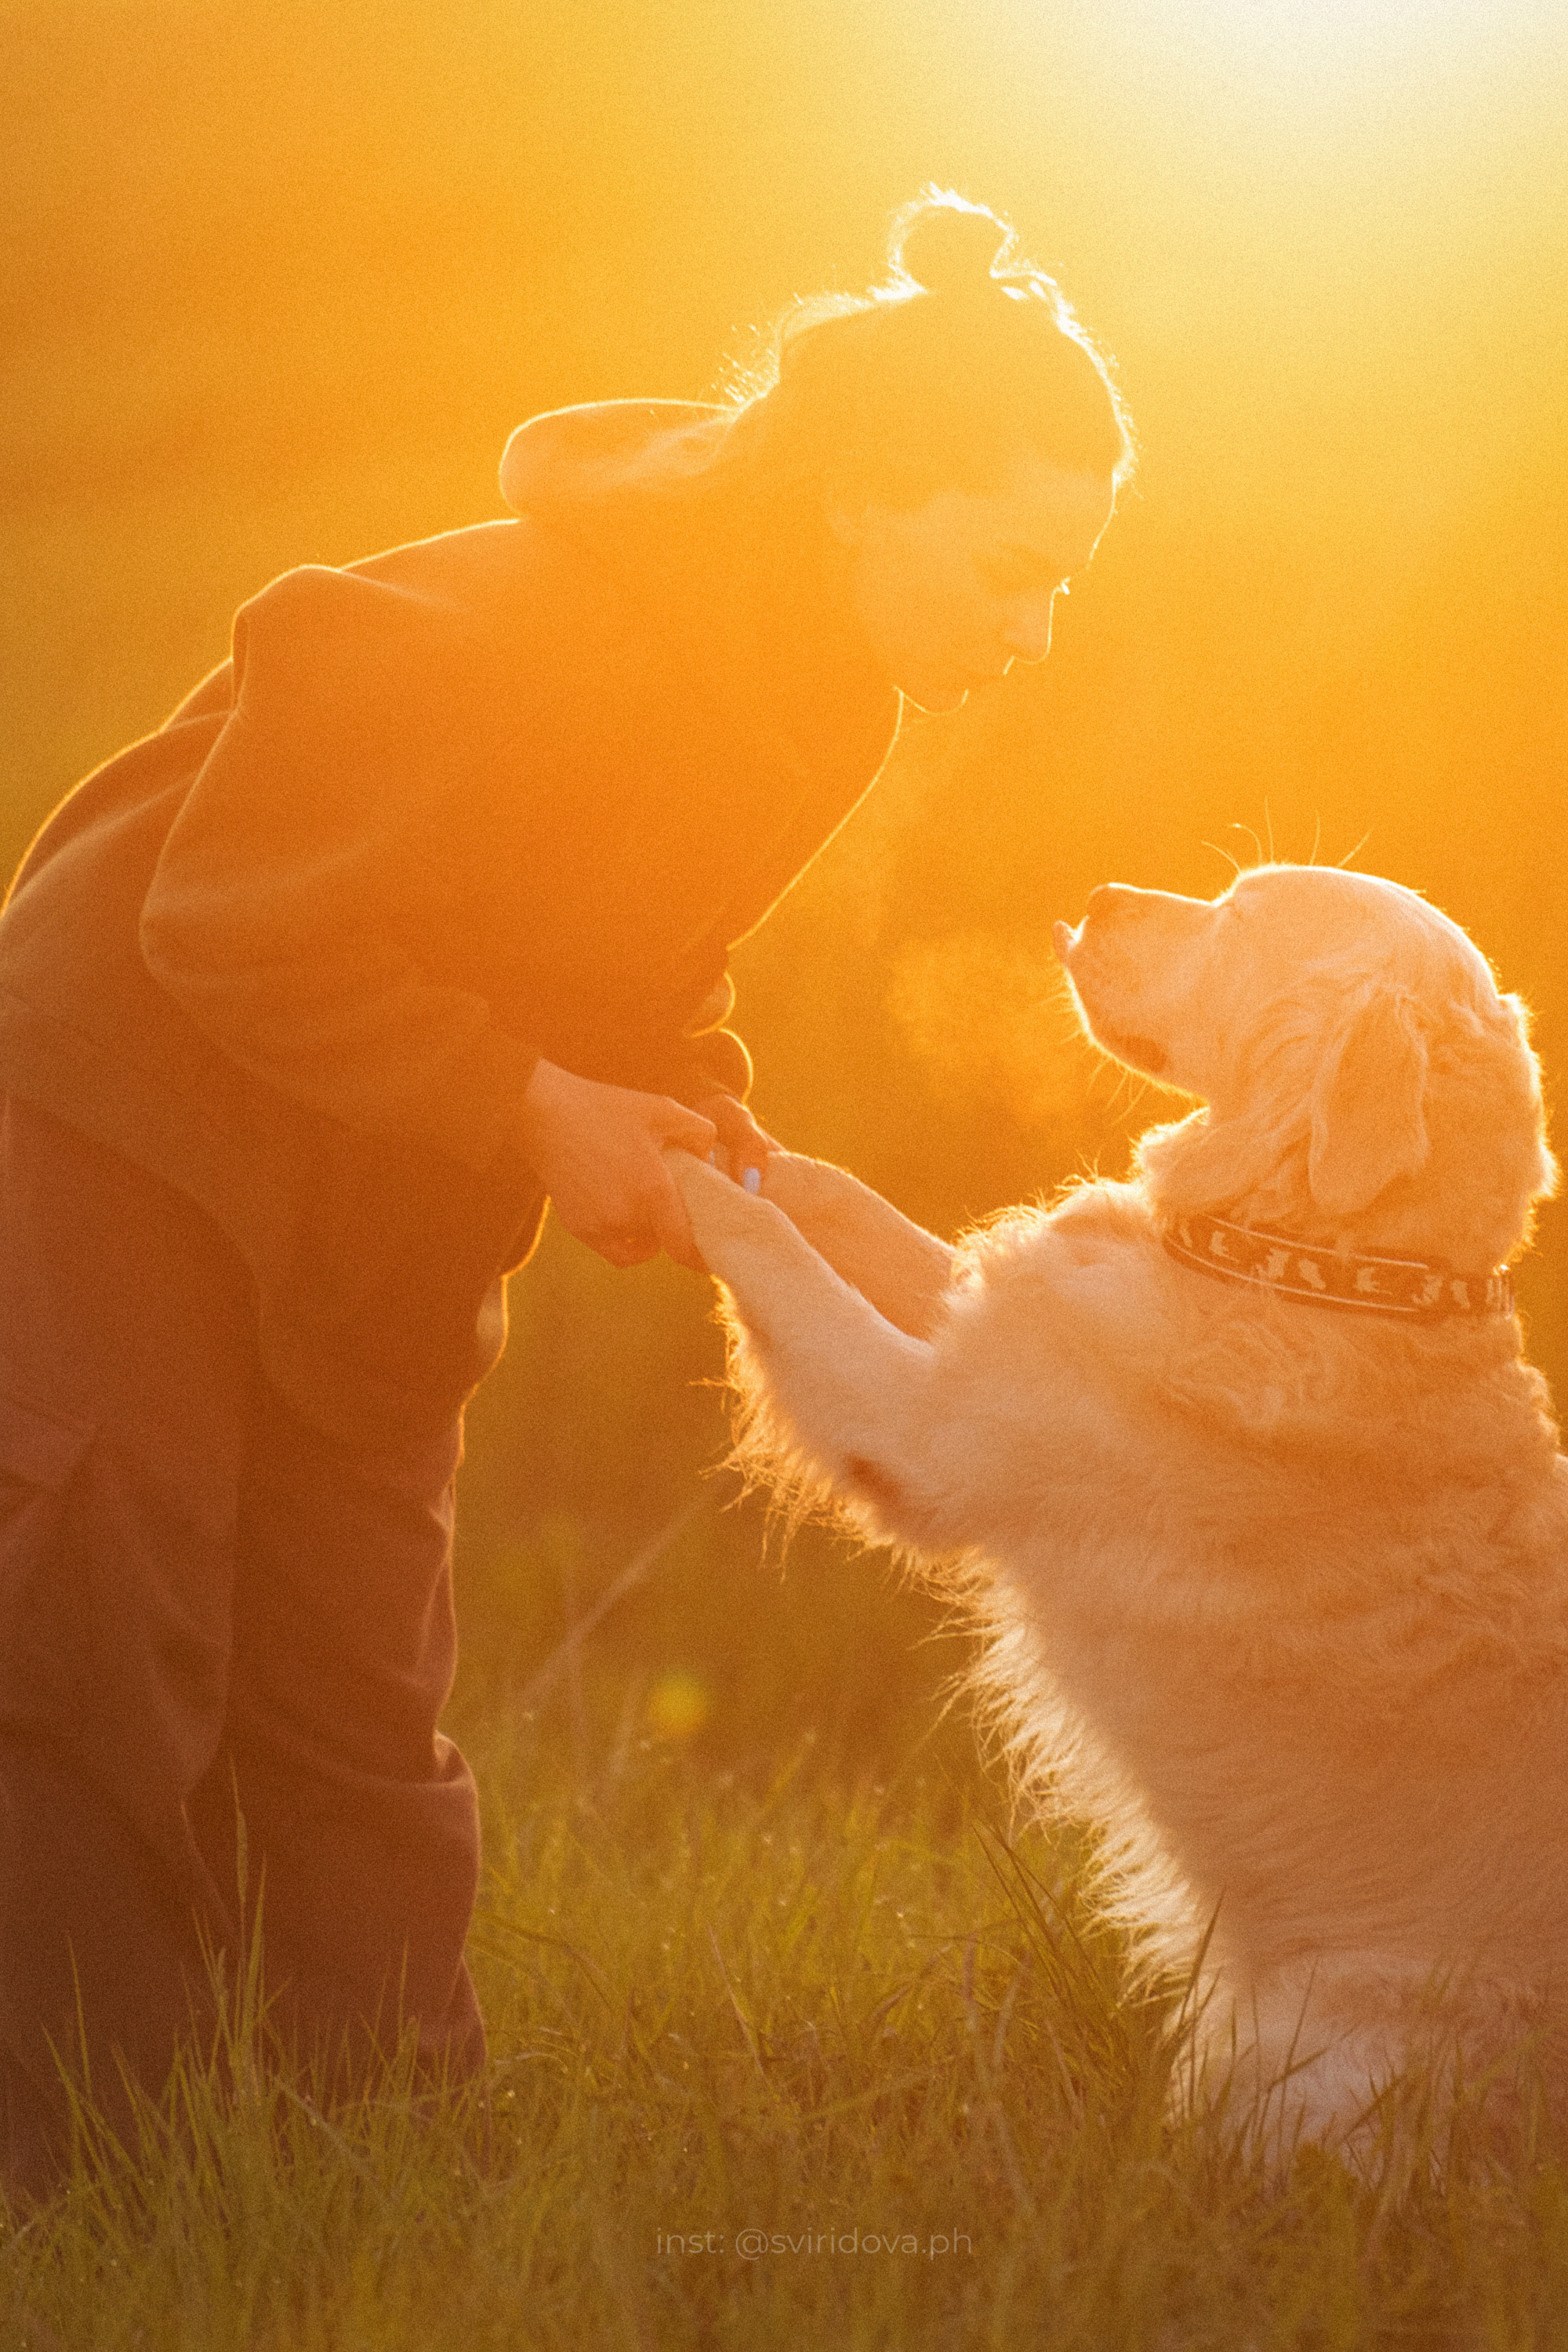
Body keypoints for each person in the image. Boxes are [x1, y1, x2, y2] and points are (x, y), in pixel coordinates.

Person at [0, 190, 1134, 2195]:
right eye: (1015, 569)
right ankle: (80, 2165)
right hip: (127, 1110)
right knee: (111, 1601)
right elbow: (223, 918)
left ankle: (388, 2139)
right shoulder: (517, 623)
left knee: (350, 1658)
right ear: (873, 491)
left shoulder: (826, 696)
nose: (1033, 632)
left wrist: (690, 1105)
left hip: (379, 1149)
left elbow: (636, 959)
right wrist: (531, 1105)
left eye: (1065, 592)